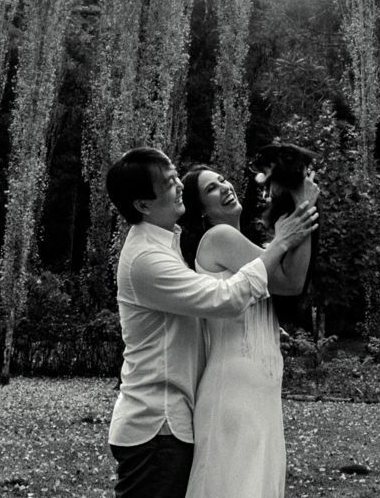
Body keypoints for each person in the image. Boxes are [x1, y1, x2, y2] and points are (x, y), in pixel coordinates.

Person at [105, 147, 319, 498]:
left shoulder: (169, 245)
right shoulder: (146, 259)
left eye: (177, 177)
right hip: (156, 423)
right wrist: (284, 238)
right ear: (143, 204)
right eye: (169, 182)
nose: (177, 185)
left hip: (174, 420)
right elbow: (225, 299)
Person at [177, 162, 317, 498]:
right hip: (233, 390)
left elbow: (294, 280)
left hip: (262, 389)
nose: (225, 187)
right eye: (211, 188)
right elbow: (284, 281)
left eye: (223, 179)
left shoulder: (251, 247)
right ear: (201, 211)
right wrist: (301, 212)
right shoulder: (218, 237)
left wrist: (304, 211)